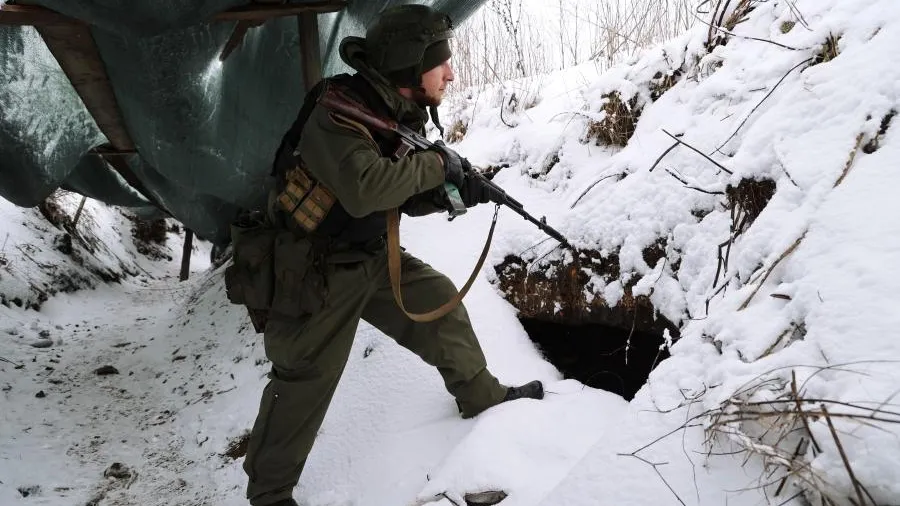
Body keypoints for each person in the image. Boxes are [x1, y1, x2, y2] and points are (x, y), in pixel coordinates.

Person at [241, 5, 544, 506]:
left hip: (371, 257)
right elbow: (364, 188)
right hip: (317, 271)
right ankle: (270, 494)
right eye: (440, 60)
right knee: (304, 379)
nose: (450, 72)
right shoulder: (337, 112)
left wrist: (454, 191)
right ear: (408, 63)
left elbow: (398, 191)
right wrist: (434, 165)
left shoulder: (392, 113)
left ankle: (482, 397)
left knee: (440, 301)